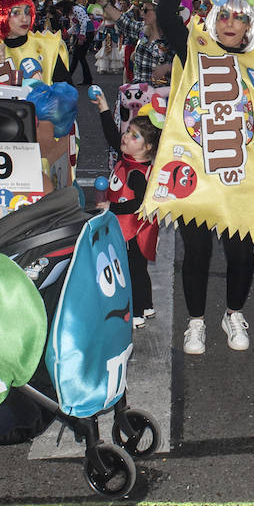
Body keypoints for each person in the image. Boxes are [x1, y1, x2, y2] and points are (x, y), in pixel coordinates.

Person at [139, 0, 254, 356]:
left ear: (249, 25)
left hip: (239, 174)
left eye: (238, 19)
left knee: (241, 255)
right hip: (196, 174)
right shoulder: (195, 47)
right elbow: (167, 14)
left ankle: (233, 312)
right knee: (197, 253)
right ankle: (196, 322)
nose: (229, 25)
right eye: (224, 16)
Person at [93, 88, 162, 328]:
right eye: (129, 131)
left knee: (134, 269)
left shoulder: (136, 173)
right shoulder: (129, 160)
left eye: (134, 136)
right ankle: (147, 304)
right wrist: (103, 107)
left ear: (147, 148)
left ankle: (137, 312)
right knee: (136, 268)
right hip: (127, 228)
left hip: (135, 230)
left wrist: (112, 206)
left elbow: (140, 204)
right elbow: (113, 137)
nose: (126, 137)